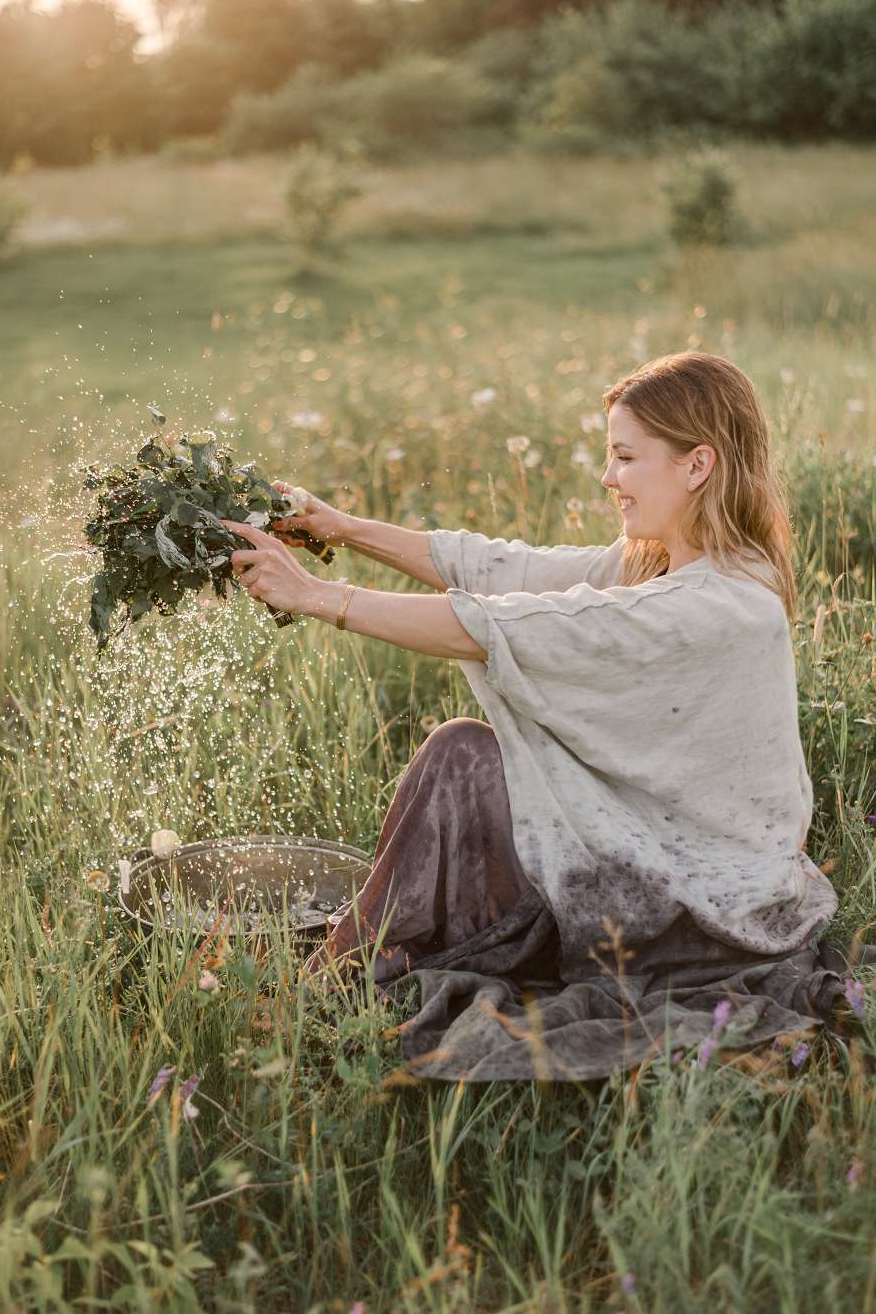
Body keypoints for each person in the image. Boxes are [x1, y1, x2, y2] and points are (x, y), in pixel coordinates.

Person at [218, 350, 869, 1082]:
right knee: (465, 754)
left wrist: (314, 597)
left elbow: (498, 624)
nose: (607, 477)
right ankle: (358, 960)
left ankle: (337, 980)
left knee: (458, 760)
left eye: (624, 457)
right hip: (649, 853)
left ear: (696, 465)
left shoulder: (715, 607)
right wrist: (341, 528)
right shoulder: (666, 565)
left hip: (695, 914)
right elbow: (507, 569)